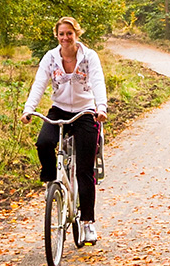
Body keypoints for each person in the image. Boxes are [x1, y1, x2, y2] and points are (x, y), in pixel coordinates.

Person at [22, 16, 107, 244]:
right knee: (43, 143)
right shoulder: (50, 58)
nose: (65, 38)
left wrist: (101, 107)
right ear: (57, 36)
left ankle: (88, 223)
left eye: (69, 33)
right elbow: (39, 83)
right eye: (61, 34)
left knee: (84, 171)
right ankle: (52, 182)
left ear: (76, 34)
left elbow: (97, 81)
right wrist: (29, 109)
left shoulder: (89, 57)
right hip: (59, 109)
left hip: (85, 112)